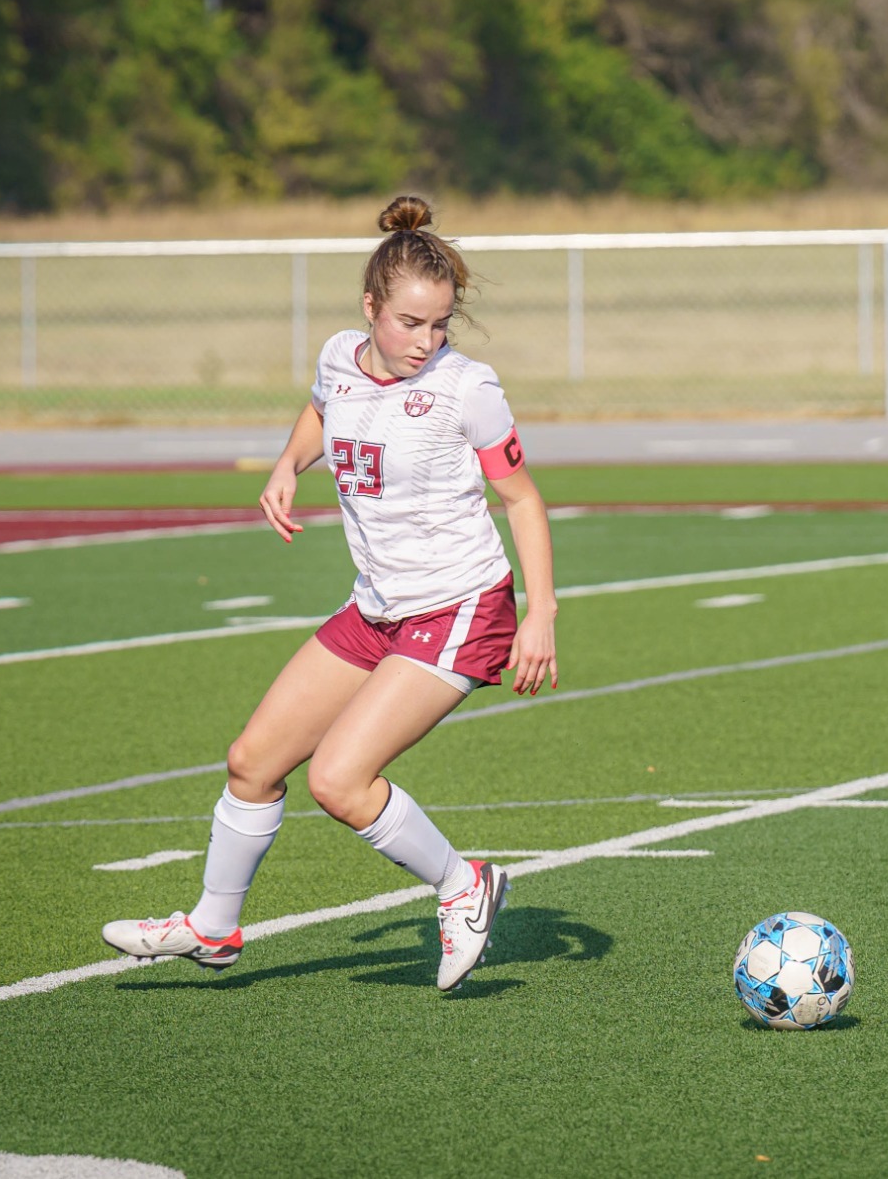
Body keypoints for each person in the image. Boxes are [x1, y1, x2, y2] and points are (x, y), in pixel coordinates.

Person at [103, 195, 559, 990]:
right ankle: (212, 928)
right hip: (374, 606)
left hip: (458, 607)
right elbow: (323, 409)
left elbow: (522, 498)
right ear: (371, 306)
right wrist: (287, 464)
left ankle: (463, 883)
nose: (426, 340)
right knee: (252, 761)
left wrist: (542, 614)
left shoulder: (468, 387)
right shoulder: (339, 357)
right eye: (411, 322)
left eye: (440, 323)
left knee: (338, 780)